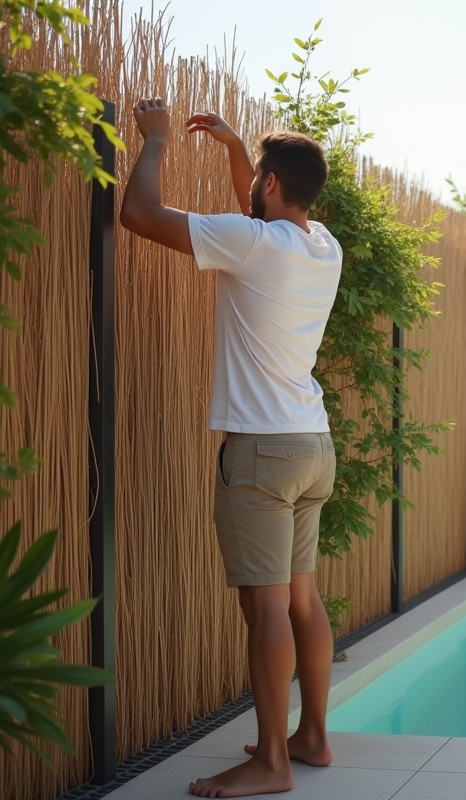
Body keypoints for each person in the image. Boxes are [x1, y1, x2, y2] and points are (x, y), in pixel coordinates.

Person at [120, 98, 342, 798]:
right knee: (302, 599)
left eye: (257, 180)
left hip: (262, 455)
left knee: (267, 608)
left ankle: (272, 762)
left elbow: (140, 215)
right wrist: (235, 149)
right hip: (312, 446)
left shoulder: (255, 243)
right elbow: (262, 211)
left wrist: (155, 142)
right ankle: (312, 737)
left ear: (271, 186)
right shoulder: (320, 244)